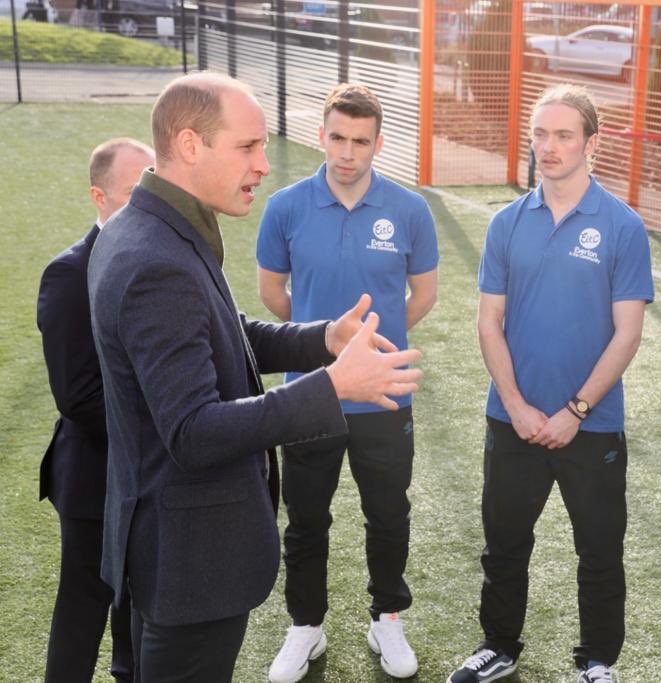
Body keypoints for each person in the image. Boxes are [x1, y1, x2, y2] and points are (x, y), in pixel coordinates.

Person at [87, 72, 422, 682]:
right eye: (248, 147)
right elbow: (192, 430)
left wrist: (322, 338)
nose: (264, 164)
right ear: (190, 145)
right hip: (188, 560)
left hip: (168, 548)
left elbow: (223, 331)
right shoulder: (155, 258)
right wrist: (333, 386)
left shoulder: (153, 227)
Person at [448, 84, 654, 683]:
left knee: (599, 549)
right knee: (504, 543)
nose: (549, 146)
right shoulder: (507, 223)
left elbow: (628, 334)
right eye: (540, 133)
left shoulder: (622, 226)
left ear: (592, 142)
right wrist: (515, 404)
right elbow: (489, 321)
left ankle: (596, 661)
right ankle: (500, 646)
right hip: (513, 417)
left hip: (591, 423)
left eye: (564, 134)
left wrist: (576, 409)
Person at [257, 83, 438, 682]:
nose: (348, 152)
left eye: (361, 141)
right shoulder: (285, 206)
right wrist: (326, 351)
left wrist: (371, 354)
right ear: (322, 135)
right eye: (338, 137)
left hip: (385, 396)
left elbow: (426, 292)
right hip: (308, 395)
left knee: (388, 514)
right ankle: (306, 626)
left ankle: (386, 618)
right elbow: (272, 292)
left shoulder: (409, 209)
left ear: (378, 143)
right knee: (306, 519)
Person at [37, 136, 153, 683]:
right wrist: (167, 420)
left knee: (139, 606)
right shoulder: (67, 274)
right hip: (93, 480)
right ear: (98, 197)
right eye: (133, 192)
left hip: (148, 477)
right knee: (85, 608)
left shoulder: (159, 258)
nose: (146, 203)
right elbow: (78, 397)